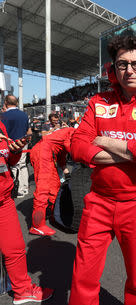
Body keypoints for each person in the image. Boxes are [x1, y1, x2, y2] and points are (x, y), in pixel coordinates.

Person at [69, 35, 136, 305]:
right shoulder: (96, 102)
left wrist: (103, 140)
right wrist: (133, 152)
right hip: (99, 201)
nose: (129, 70)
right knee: (82, 278)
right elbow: (77, 148)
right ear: (112, 69)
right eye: (122, 64)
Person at [0, 122, 54, 304]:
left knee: (15, 248)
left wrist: (14, 151)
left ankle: (23, 290)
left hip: (3, 199)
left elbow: (8, 160)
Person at [29, 127, 75, 236]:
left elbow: (62, 152)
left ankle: (56, 215)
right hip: (43, 153)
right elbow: (70, 148)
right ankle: (37, 226)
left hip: (48, 153)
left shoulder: (69, 132)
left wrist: (65, 169)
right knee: (43, 189)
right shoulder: (74, 132)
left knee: (55, 186)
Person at [1, 94, 31, 198]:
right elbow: (28, 131)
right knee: (22, 166)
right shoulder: (24, 115)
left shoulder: (3, 116)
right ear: (16, 103)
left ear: (6, 103)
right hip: (23, 144)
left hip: (10, 145)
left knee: (13, 166)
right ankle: (24, 188)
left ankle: (17, 189)